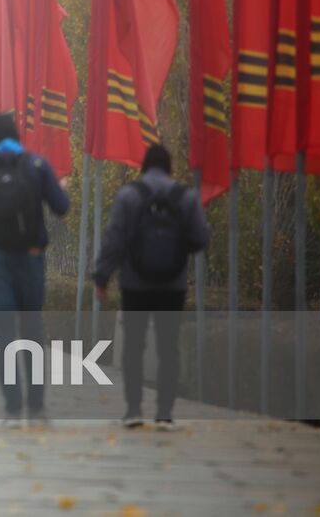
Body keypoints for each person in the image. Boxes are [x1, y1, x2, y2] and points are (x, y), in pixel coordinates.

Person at [0, 112, 70, 426]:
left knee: (4, 334)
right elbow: (61, 207)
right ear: (18, 136)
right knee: (32, 332)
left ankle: (12, 409)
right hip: (31, 259)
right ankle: (37, 409)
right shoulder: (37, 166)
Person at [93, 143, 210, 430]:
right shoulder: (187, 198)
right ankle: (165, 414)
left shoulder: (129, 196)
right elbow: (200, 239)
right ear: (170, 168)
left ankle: (133, 409)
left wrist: (102, 276)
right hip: (173, 284)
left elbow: (115, 240)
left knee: (133, 345)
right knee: (169, 347)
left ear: (143, 166)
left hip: (136, 283)